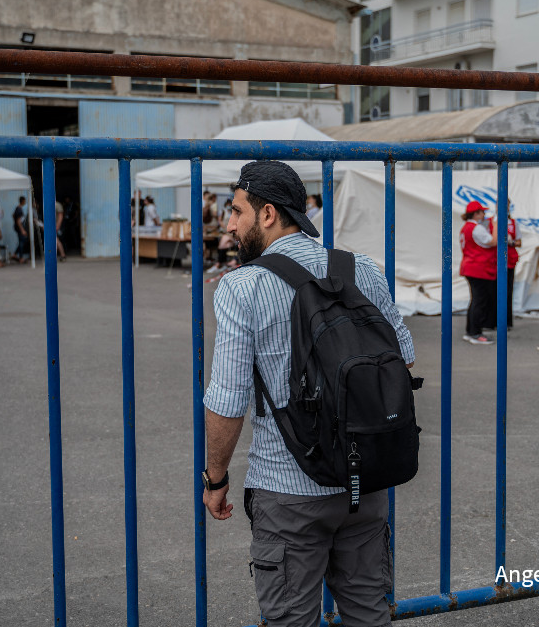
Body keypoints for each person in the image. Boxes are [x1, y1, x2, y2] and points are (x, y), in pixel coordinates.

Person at [203, 160, 414, 627]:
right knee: (368, 615)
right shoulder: (360, 269)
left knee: (290, 619)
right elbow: (404, 358)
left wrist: (215, 480)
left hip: (287, 490)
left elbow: (227, 402)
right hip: (365, 482)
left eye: (237, 211)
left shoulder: (243, 287)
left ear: (269, 214)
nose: (230, 223)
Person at [460, 200, 496, 345]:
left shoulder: (466, 227)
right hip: (478, 268)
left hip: (471, 267)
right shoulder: (477, 228)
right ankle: (475, 333)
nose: (484, 214)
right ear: (476, 214)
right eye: (482, 212)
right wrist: (497, 225)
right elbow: (492, 241)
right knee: (479, 301)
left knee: (476, 301)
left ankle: (472, 331)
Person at [489, 199, 520, 330]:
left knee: (507, 291)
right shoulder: (489, 221)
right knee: (492, 291)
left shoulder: (513, 222)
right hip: (492, 261)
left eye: (506, 205)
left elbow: (519, 242)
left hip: (509, 262)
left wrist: (511, 242)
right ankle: (491, 321)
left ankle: (506, 322)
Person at [13, 196, 30, 264]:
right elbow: (18, 221)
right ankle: (20, 257)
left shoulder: (17, 208)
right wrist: (22, 230)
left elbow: (14, 216)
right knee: (22, 242)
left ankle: (16, 255)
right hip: (20, 228)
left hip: (18, 228)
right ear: (22, 201)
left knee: (21, 242)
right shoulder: (19, 209)